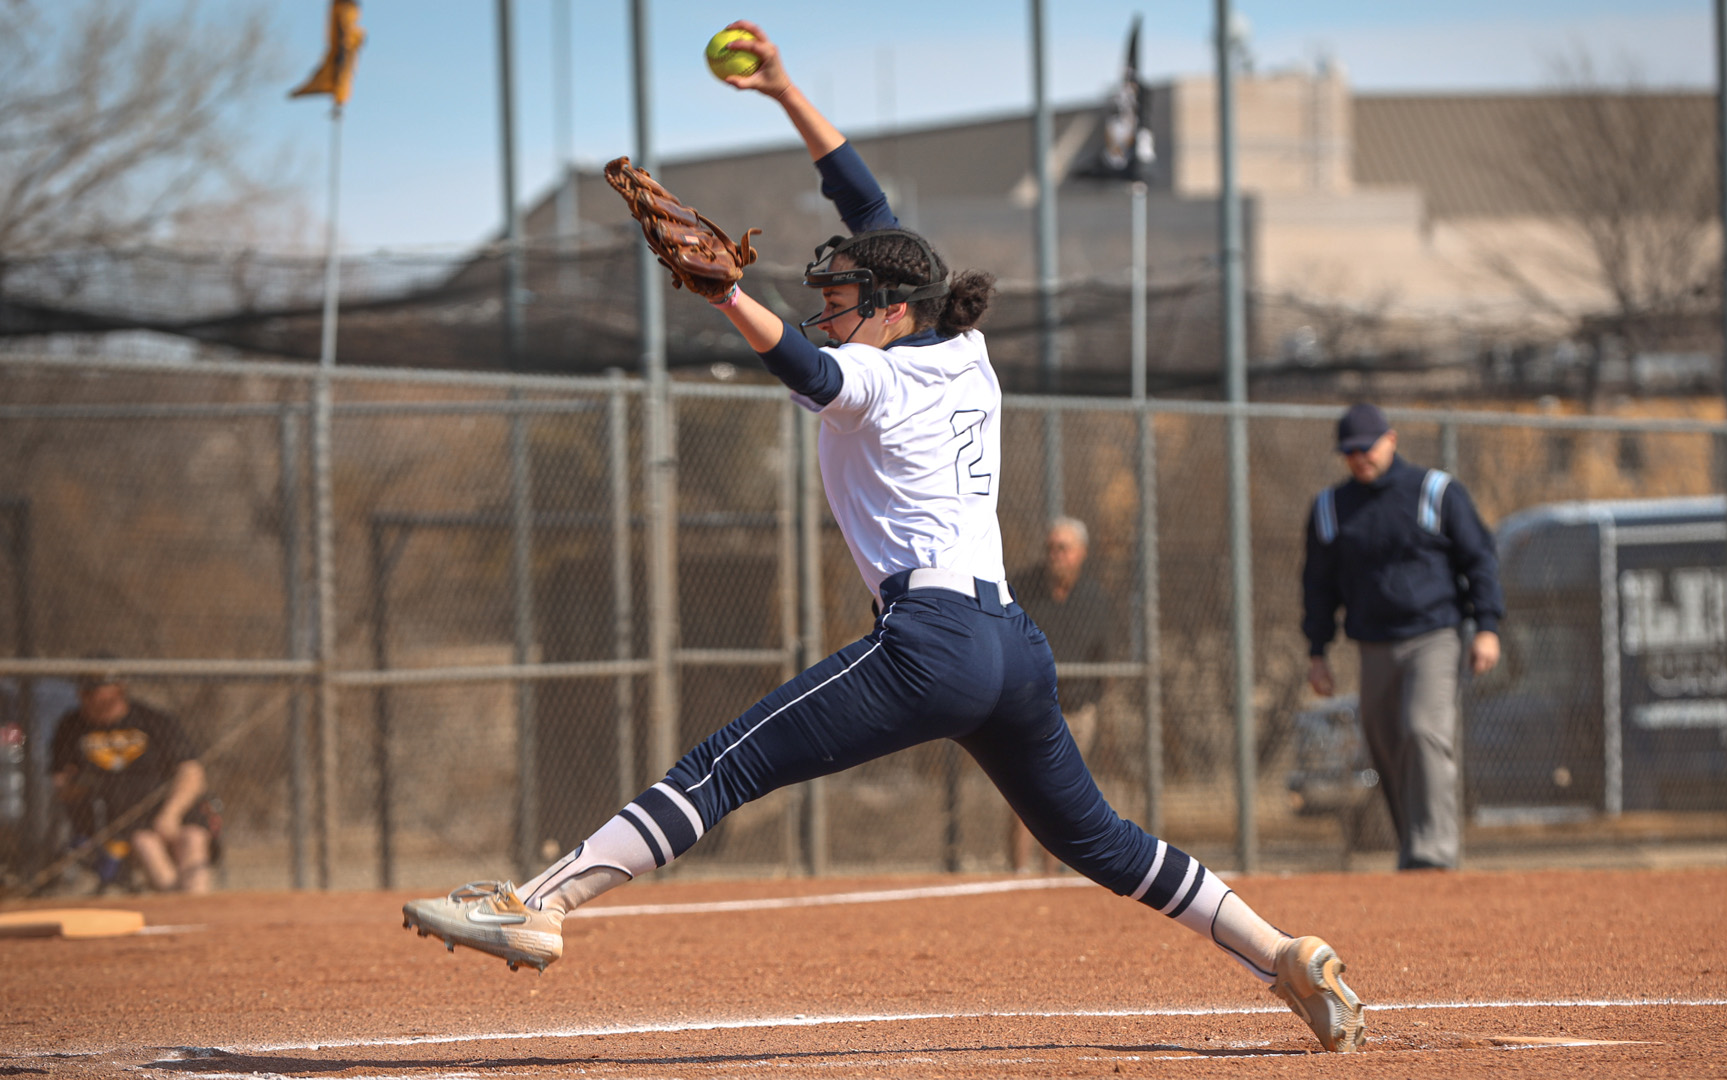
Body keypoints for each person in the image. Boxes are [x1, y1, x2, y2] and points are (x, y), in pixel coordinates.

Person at [402, 22, 1363, 1054]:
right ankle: (1281, 953)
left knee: (724, 766)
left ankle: (540, 903)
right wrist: (786, 92)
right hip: (1012, 646)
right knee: (1100, 839)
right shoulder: (964, 346)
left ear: (895, 309)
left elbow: (809, 370)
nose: (826, 308)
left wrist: (728, 295)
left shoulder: (877, 377)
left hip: (932, 641)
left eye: (840, 297)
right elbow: (868, 207)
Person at [1300, 403, 1503, 872]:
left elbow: (1480, 559)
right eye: (1349, 451)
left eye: (1367, 448)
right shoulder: (1331, 508)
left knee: (1422, 730)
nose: (1359, 458)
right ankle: (1414, 845)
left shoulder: (1435, 491)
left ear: (1391, 440)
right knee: (1385, 745)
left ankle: (1433, 855)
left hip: (1434, 635)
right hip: (1373, 643)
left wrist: (1487, 627)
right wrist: (1317, 651)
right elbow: (1318, 585)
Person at [1005, 516, 1118, 872]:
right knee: (1024, 792)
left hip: (1078, 710)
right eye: (1051, 548)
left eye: (1063, 548)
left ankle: (1051, 878)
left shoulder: (1094, 599)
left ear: (1081, 553)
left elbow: (1106, 657)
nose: (1055, 555)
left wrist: (1097, 703)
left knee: (1063, 794)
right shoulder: (1023, 590)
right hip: (1030, 708)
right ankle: (1019, 874)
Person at [50, 662, 218, 893]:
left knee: (193, 837)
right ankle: (177, 901)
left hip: (168, 810)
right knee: (145, 842)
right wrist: (80, 784)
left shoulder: (153, 720)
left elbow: (192, 772)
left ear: (119, 688)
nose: (86, 696)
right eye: (84, 690)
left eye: (94, 689)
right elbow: (61, 785)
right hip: (117, 821)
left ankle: (195, 904)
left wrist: (171, 814)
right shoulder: (71, 727)